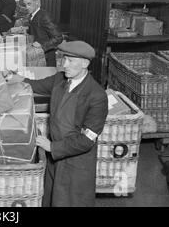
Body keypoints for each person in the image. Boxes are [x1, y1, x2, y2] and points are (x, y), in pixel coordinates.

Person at [7, 40, 108, 207]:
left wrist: (52, 147)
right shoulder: (59, 80)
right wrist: (11, 77)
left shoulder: (96, 96)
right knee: (51, 199)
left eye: (70, 61)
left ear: (85, 63)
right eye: (63, 59)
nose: (64, 65)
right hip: (55, 160)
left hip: (76, 163)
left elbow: (87, 140)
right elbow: (34, 85)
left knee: (70, 201)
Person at [23, 0, 63, 67]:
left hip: (46, 58)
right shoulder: (33, 15)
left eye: (29, 4)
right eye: (25, 5)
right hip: (38, 56)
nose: (26, 7)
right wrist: (27, 31)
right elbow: (40, 31)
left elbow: (58, 37)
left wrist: (42, 45)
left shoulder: (44, 16)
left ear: (37, 2)